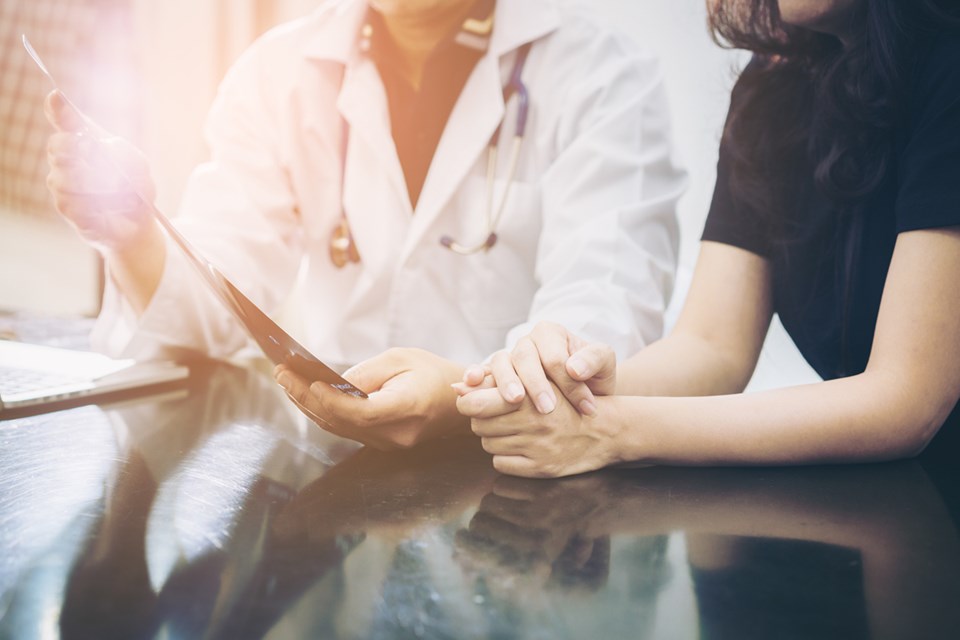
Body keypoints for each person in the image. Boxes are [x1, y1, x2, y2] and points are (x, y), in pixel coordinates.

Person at [44, 0, 685, 448]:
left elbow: (603, 318)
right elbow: (215, 302)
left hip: (532, 478)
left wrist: (465, 399)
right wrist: (131, 237)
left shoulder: (605, 75)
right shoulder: (278, 72)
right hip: (334, 471)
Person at [455, 0, 960, 477]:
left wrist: (609, 430)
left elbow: (903, 401)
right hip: (873, 502)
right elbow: (711, 347)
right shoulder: (774, 83)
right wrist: (572, 386)